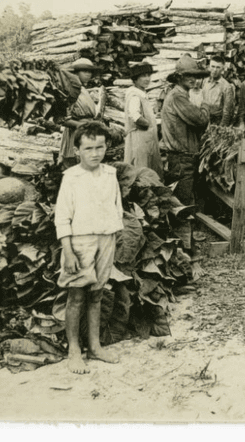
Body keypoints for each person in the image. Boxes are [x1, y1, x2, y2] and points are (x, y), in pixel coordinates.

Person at [54, 122, 123, 374]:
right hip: (80, 242)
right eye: (89, 148)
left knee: (97, 293)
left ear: (107, 147)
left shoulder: (110, 174)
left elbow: (116, 206)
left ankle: (94, 346)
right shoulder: (71, 177)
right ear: (77, 150)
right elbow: (62, 216)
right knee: (76, 295)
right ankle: (74, 350)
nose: (95, 153)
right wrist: (68, 251)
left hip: (106, 239)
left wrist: (114, 233)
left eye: (100, 147)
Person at [160, 55, 210, 223]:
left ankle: (187, 234)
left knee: (184, 195)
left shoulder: (181, 95)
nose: (193, 80)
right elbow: (200, 120)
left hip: (183, 153)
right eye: (188, 76)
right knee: (184, 198)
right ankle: (185, 237)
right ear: (179, 77)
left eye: (195, 76)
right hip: (181, 155)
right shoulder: (178, 97)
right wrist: (204, 104)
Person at [59, 58, 102, 168]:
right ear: (76, 74)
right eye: (84, 71)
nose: (88, 74)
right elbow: (62, 118)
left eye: (90, 72)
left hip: (88, 131)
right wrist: (80, 125)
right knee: (76, 166)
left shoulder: (83, 90)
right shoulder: (70, 90)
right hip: (76, 133)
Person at [123, 63, 163, 177]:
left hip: (146, 139)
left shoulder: (141, 93)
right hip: (139, 138)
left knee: (148, 166)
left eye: (148, 75)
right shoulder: (135, 95)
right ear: (135, 79)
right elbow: (135, 115)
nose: (147, 79)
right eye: (143, 76)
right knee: (141, 167)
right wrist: (148, 124)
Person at [201, 55, 235, 128]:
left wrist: (220, 129)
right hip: (204, 120)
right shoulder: (205, 81)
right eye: (212, 66)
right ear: (209, 67)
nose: (215, 70)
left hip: (217, 122)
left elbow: (227, 112)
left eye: (218, 67)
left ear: (222, 69)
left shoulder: (226, 86)